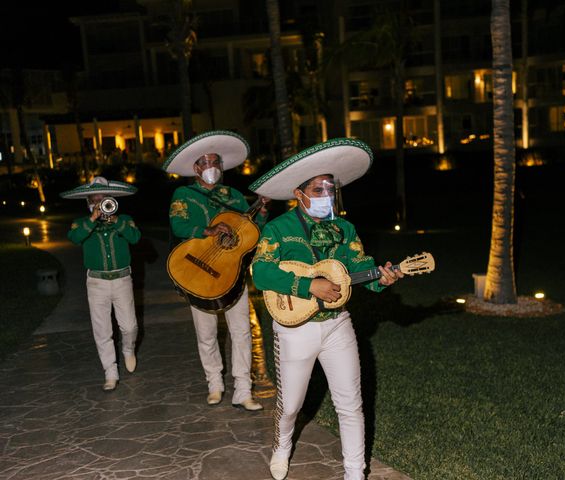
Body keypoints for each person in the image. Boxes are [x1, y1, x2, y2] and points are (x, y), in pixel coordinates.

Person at [249, 138, 404, 480]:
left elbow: (361, 267)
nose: (326, 196)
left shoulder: (345, 229)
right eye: (317, 189)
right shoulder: (278, 229)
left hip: (337, 324)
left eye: (329, 189)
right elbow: (260, 272)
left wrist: (382, 279)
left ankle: (354, 472)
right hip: (294, 328)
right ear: (298, 193)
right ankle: (282, 446)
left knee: (350, 404)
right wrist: (307, 285)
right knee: (290, 406)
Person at [162, 130, 268, 411]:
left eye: (217, 162)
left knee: (242, 331)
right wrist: (208, 230)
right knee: (206, 333)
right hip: (198, 272)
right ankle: (214, 384)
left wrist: (263, 210)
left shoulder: (233, 195)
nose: (212, 167)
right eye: (206, 162)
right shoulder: (183, 194)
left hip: (232, 273)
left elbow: (251, 232)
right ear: (195, 167)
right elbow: (178, 225)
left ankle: (243, 389)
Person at [61, 176, 141, 392]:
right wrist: (92, 219)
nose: (99, 203)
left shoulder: (124, 219)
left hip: (122, 279)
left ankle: (128, 348)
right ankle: (110, 371)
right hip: (96, 282)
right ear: (88, 202)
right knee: (102, 330)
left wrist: (116, 221)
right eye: (95, 200)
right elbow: (75, 238)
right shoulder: (81, 222)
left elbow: (135, 238)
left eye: (103, 198)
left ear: (112, 199)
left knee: (129, 326)